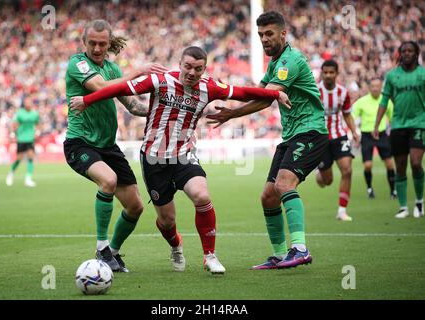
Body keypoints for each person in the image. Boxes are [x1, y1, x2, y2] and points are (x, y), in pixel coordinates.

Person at [69, 45, 291, 274]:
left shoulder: (210, 87)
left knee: (201, 195)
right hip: (154, 159)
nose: (192, 72)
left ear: (204, 69)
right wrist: (88, 100)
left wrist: (275, 93)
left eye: (198, 68)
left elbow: (243, 92)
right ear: (180, 64)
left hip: (184, 155)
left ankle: (210, 256)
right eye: (188, 66)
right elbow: (121, 89)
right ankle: (176, 245)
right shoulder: (160, 81)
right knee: (166, 221)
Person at [206, 11, 328, 270]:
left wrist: (226, 99)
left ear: (283, 33)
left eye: (269, 34)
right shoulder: (275, 63)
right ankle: (281, 254)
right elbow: (260, 96)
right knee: (268, 197)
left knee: (284, 185)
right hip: (291, 135)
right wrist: (231, 111)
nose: (264, 39)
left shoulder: (290, 61)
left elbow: (267, 94)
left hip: (311, 132)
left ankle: (300, 249)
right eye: (260, 35)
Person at [64, 19, 168, 272]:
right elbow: (100, 88)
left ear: (109, 43)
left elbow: (132, 106)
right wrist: (138, 71)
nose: (97, 48)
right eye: (93, 43)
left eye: (102, 44)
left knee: (135, 206)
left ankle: (113, 252)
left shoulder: (112, 69)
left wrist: (164, 110)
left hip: (108, 146)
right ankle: (101, 249)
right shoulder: (78, 64)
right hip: (80, 143)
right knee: (108, 180)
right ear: (84, 42)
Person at [373, 41, 424, 218]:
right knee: (400, 166)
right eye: (404, 51)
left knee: (416, 163)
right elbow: (384, 100)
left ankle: (419, 202)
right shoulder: (392, 76)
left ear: (417, 53)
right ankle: (403, 207)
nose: (407, 53)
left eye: (410, 50)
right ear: (400, 54)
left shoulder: (423, 74)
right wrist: (376, 124)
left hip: (419, 124)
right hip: (398, 126)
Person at [315, 60, 359, 222]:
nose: (328, 75)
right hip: (320, 139)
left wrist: (354, 131)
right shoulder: (315, 91)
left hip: (339, 135)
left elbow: (347, 114)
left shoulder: (343, 92)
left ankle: (342, 210)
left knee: (347, 170)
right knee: (327, 181)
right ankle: (319, 173)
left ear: (336, 74)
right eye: (325, 72)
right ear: (322, 73)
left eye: (331, 72)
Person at [352, 78, 396, 199]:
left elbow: (393, 119)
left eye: (378, 86)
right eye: (373, 86)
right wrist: (355, 132)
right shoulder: (362, 102)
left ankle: (393, 191)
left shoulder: (386, 101)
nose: (375, 88)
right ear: (369, 87)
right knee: (367, 165)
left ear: (381, 86)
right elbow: (351, 116)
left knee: (390, 164)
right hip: (366, 135)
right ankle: (370, 188)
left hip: (382, 134)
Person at [6, 95, 40, 187]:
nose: (28, 104)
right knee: (19, 158)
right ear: (24, 104)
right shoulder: (20, 113)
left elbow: (37, 124)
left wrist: (37, 131)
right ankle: (11, 173)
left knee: (30, 157)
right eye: (26, 102)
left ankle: (28, 179)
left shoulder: (35, 114)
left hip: (30, 139)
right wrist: (13, 133)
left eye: (29, 102)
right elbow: (14, 124)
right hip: (21, 138)